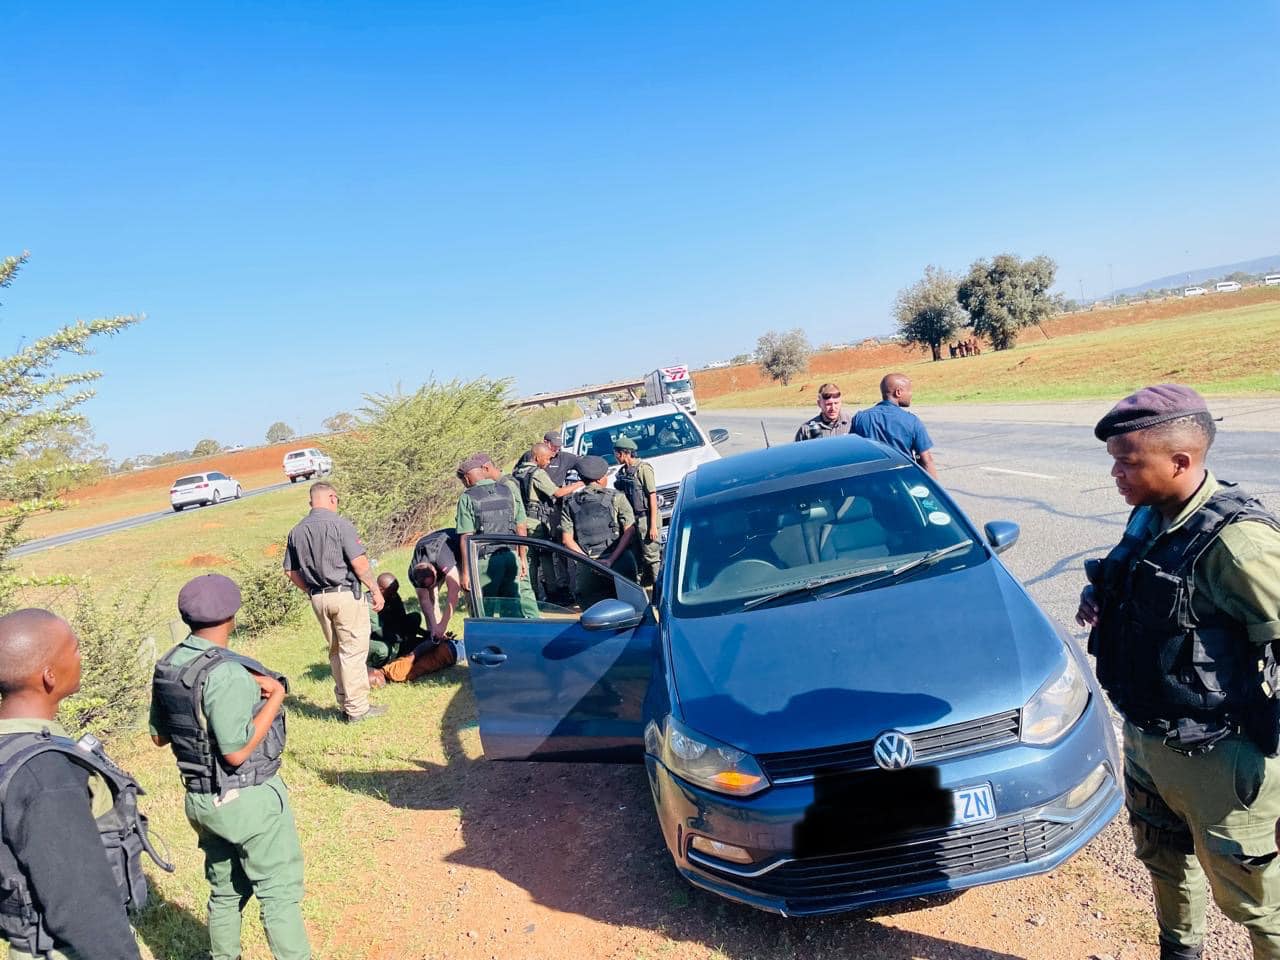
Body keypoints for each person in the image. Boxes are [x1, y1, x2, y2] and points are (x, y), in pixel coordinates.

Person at [1076, 384, 1280, 960]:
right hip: (1147, 739)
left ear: (1181, 461)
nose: (1115, 474)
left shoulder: (1239, 546)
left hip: (1222, 758)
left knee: (1255, 901)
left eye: (1127, 462)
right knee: (1163, 862)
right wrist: (1100, 599)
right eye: (1113, 461)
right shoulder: (1150, 516)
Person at [151, 574, 311, 960]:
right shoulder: (227, 672)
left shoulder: (170, 665)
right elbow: (236, 751)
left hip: (201, 799)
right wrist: (275, 696)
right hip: (246, 797)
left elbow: (158, 737)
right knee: (278, 891)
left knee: (225, 891)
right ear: (232, 617)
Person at [0, 609, 164, 960]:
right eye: (73, 649)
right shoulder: (45, 775)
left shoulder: (9, 748)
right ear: (48, 677)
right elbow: (82, 907)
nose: (81, 657)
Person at [283, 481, 386, 723]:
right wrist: (375, 590)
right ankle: (358, 709)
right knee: (353, 651)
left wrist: (310, 589)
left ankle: (344, 703)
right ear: (332, 498)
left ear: (311, 502)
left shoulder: (296, 531)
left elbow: (289, 571)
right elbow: (360, 564)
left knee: (335, 652)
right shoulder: (341, 525)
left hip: (318, 598)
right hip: (346, 595)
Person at [455, 454, 539, 619]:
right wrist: (522, 557)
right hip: (510, 556)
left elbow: (466, 537)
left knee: (484, 611)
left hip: (486, 561)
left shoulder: (467, 497)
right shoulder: (507, 490)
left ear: (466, 478)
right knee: (513, 610)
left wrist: (465, 572)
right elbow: (521, 526)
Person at [561, 455, 637, 609]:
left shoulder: (570, 504)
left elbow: (566, 540)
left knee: (593, 610)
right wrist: (610, 560)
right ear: (599, 479)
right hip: (619, 562)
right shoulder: (617, 497)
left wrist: (590, 562)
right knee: (633, 605)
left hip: (588, 567)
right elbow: (629, 531)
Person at [513, 442, 585, 601]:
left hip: (521, 522)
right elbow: (558, 492)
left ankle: (532, 595)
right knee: (545, 556)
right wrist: (580, 483)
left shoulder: (517, 473)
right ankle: (553, 593)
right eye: (546, 459)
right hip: (536, 522)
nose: (548, 463)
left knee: (529, 558)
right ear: (537, 457)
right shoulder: (537, 474)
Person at [366, 574, 458, 687]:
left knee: (415, 617)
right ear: (380, 589)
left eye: (396, 591)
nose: (395, 594)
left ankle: (404, 649)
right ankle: (375, 667)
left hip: (392, 633)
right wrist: (400, 637)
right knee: (383, 651)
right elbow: (378, 632)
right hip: (372, 639)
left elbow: (402, 619)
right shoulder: (368, 603)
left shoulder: (392, 595)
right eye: (392, 591)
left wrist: (427, 634)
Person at [850, 373, 938, 479]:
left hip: (871, 483)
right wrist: (935, 492)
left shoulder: (860, 418)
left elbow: (853, 454)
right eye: (909, 390)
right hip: (902, 482)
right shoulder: (911, 421)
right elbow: (926, 460)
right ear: (898, 392)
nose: (911, 394)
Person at [613, 436, 661, 586]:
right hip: (632, 519)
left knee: (651, 555)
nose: (615, 457)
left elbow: (652, 496)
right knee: (636, 556)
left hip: (645, 518)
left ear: (624, 453)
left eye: (616, 453)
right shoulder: (623, 473)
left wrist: (652, 525)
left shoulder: (643, 469)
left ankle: (659, 588)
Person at [408, 527, 464, 638]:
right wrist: (435, 629)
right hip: (429, 552)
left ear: (435, 571)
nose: (432, 588)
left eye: (433, 584)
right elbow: (425, 602)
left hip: (456, 544)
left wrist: (443, 624)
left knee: (466, 586)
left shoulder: (443, 559)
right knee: (431, 599)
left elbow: (454, 593)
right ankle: (434, 636)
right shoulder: (413, 573)